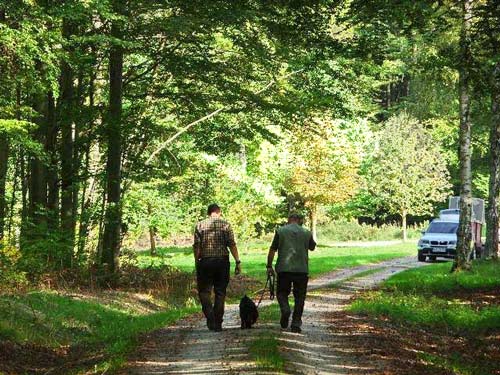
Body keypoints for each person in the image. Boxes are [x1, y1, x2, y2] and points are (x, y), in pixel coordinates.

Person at [194, 203, 241, 332]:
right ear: (219, 212)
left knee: (204, 292)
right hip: (222, 262)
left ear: (208, 213)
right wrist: (237, 261)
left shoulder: (200, 225)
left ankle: (210, 318)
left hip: (205, 262)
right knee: (220, 292)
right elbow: (232, 244)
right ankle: (218, 322)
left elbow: (197, 246)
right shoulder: (226, 225)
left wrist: (196, 261)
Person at [266, 213, 316, 333]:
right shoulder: (306, 232)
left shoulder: (280, 231)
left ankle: (285, 309)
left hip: (284, 269)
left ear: (289, 219)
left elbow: (272, 249)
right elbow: (312, 247)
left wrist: (269, 265)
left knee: (282, 292)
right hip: (301, 270)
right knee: (300, 297)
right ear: (299, 220)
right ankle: (296, 323)